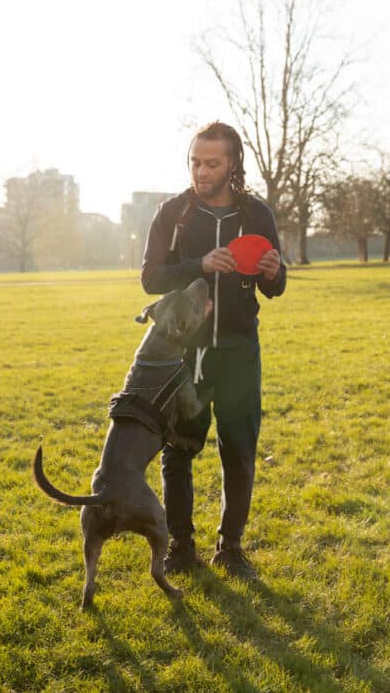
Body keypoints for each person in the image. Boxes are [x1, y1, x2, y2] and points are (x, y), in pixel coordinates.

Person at [141, 121, 286, 579]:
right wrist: (198, 265)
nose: (201, 172)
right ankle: (180, 546)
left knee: (240, 449)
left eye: (212, 163)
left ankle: (231, 546)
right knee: (179, 449)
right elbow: (150, 278)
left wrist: (271, 272)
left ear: (233, 164)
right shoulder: (174, 213)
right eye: (195, 162)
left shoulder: (257, 213)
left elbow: (276, 287)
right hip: (187, 354)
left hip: (240, 351)